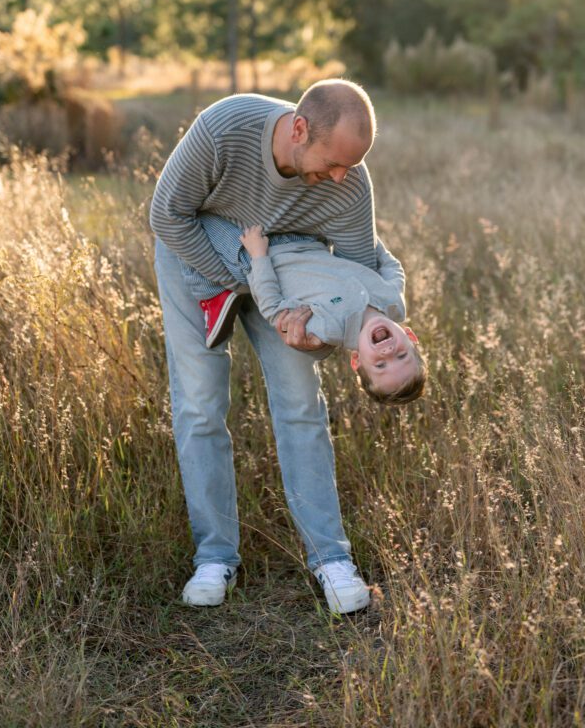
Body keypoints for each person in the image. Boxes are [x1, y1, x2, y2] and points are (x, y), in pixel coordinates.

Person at [150, 80, 400, 614]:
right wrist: (241, 280)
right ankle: (215, 556)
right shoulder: (226, 127)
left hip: (290, 280)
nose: (340, 177)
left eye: (351, 166)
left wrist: (341, 337)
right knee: (199, 405)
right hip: (192, 253)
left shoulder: (349, 183)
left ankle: (331, 559)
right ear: (299, 129)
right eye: (333, 163)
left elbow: (356, 275)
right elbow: (167, 214)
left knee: (299, 406)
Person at [178, 215, 426, 406]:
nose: (389, 352)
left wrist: (258, 257)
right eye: (402, 356)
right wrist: (364, 228)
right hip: (305, 239)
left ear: (356, 360)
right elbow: (391, 265)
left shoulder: (330, 330)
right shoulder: (394, 301)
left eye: (380, 365)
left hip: (254, 255)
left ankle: (210, 292)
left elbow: (274, 310)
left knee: (195, 221)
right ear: (411, 337)